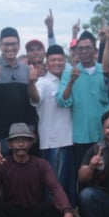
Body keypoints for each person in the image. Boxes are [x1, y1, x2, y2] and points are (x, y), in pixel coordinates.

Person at [0, 123, 75, 217]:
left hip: (35, 212)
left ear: (31, 143)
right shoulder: (3, 164)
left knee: (56, 203)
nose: (21, 144)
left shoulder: (42, 164)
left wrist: (68, 211)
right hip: (11, 212)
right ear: (9, 145)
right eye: (16, 141)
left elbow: (55, 188)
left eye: (24, 140)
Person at [56, 31, 109, 197]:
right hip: (82, 135)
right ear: (76, 51)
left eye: (88, 48)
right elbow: (62, 100)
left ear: (95, 50)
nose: (85, 51)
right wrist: (72, 82)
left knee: (106, 173)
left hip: (105, 134)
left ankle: (107, 212)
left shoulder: (105, 71)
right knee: (84, 176)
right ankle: (84, 212)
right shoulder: (70, 73)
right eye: (81, 48)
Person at [28, 45, 76, 207]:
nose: (57, 63)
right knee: (53, 182)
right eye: (53, 60)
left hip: (70, 140)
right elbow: (35, 98)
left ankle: (65, 213)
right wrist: (31, 83)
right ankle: (51, 215)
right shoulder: (43, 83)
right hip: (53, 142)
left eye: (60, 59)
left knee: (67, 181)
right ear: (47, 63)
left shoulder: (69, 80)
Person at [0, 27, 36, 161]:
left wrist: (31, 128)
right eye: (6, 44)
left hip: (21, 136)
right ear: (0, 46)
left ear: (18, 45)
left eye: (13, 44)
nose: (10, 48)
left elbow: (29, 104)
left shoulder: (26, 70)